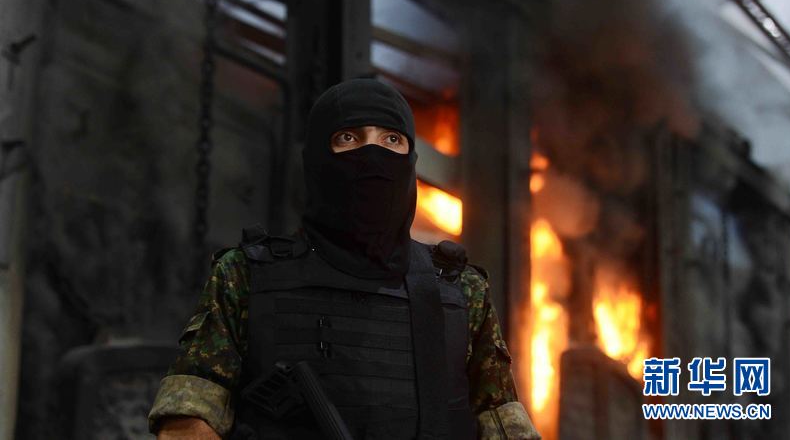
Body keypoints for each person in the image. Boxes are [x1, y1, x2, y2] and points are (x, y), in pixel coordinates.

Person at [148, 78, 540, 439]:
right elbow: (187, 419)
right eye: (349, 138)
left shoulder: (462, 291)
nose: (372, 155)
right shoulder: (244, 275)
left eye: (391, 139)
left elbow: (504, 424)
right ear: (318, 158)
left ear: (410, 160)